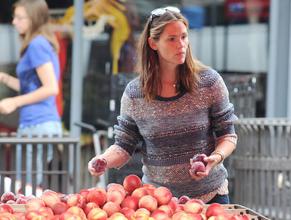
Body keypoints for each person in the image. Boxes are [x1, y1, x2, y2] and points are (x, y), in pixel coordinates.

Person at [88, 6, 237, 204]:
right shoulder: (135, 94)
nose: (181, 44)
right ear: (153, 43)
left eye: (184, 37)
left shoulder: (209, 82)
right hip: (157, 201)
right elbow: (124, 145)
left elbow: (228, 135)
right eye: (172, 39)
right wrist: (103, 160)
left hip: (210, 198)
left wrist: (215, 158)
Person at [0, 0, 62, 192]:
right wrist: (4, 77)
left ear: (34, 19)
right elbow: (30, 87)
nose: (14, 22)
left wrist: (14, 101)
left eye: (19, 17)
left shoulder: (37, 45)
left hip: (38, 125)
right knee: (26, 189)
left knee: (26, 191)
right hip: (37, 125)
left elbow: (51, 88)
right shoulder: (39, 43)